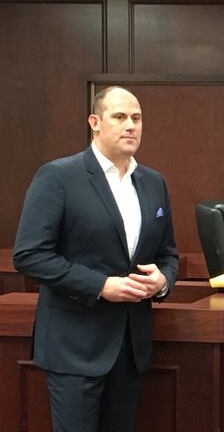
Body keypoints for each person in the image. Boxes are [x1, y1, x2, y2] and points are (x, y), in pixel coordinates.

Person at [13, 86, 179, 432]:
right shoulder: (59, 176)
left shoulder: (153, 183)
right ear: (95, 122)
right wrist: (100, 285)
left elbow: (168, 255)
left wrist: (163, 281)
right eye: (119, 117)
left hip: (131, 348)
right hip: (75, 347)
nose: (131, 125)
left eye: (137, 118)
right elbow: (29, 255)